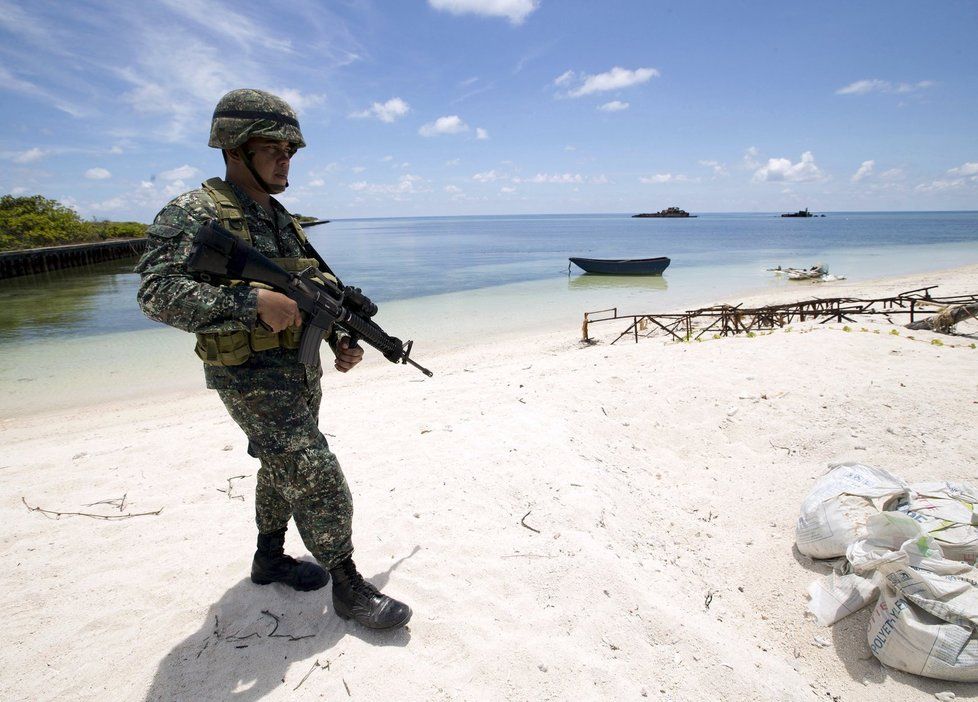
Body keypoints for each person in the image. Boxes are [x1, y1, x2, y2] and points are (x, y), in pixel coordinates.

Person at [135, 88, 411, 630]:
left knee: (279, 464)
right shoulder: (195, 211)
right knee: (312, 467)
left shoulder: (283, 220)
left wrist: (338, 342)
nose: (286, 159)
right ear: (235, 149)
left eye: (292, 150)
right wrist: (250, 301)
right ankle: (348, 582)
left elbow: (312, 296)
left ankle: (269, 557)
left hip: (298, 372)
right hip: (247, 373)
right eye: (274, 149)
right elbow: (154, 294)